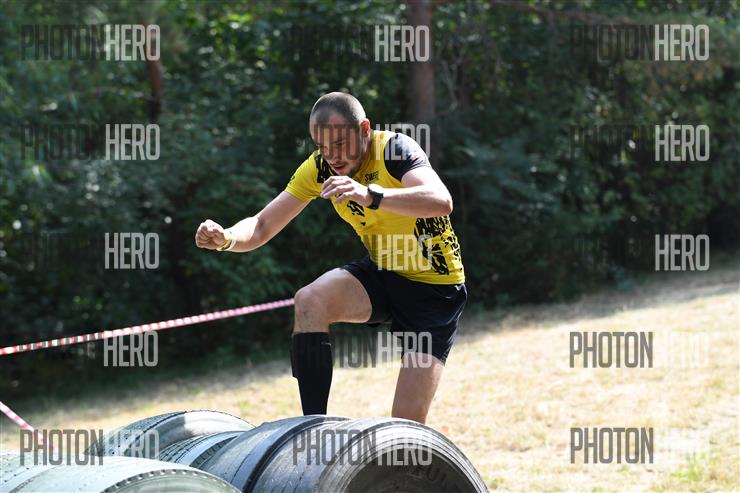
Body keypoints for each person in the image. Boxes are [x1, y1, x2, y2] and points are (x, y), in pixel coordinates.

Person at [195, 92, 465, 424]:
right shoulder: (319, 168)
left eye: (339, 144)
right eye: (322, 147)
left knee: (406, 425)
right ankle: (313, 426)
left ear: (364, 129)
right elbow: (263, 225)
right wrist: (227, 237)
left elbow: (440, 201)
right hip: (382, 273)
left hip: (434, 290)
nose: (332, 156)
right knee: (310, 300)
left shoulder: (393, 149)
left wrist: (370, 195)